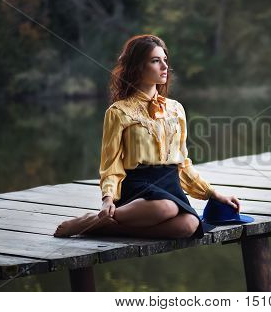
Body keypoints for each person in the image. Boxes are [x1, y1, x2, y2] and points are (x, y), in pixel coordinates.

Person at [54, 34, 240, 239]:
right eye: (155, 61)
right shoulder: (119, 111)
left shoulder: (176, 109)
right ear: (138, 67)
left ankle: (102, 225)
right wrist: (107, 198)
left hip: (170, 183)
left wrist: (212, 194)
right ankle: (92, 219)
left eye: (165, 60)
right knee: (166, 208)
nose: (164, 67)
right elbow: (111, 164)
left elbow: (183, 165)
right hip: (137, 186)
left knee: (189, 225)